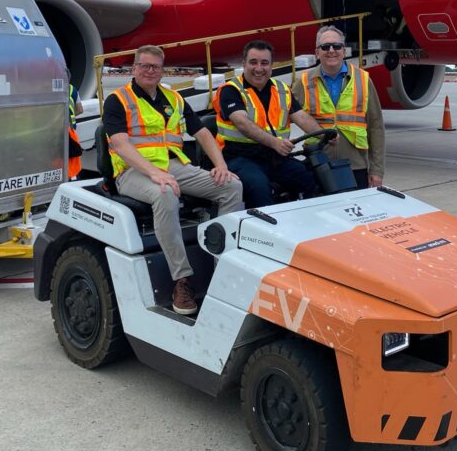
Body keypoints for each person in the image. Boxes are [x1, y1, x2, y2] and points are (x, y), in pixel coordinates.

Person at [103, 45, 242, 316]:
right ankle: (182, 279)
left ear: (162, 70)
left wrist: (221, 166)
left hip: (174, 166)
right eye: (144, 66)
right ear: (133, 69)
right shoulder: (117, 99)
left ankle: (222, 266)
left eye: (156, 66)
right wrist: (154, 173)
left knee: (232, 186)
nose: (150, 71)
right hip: (132, 172)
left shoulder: (174, 98)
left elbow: (202, 133)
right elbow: (119, 144)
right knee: (165, 193)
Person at [214, 39, 326, 208]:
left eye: (264, 63)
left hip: (272, 157)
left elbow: (301, 117)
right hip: (239, 157)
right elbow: (242, 123)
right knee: (259, 187)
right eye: (253, 62)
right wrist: (275, 143)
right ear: (243, 64)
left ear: (271, 66)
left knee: (309, 178)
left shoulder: (281, 89)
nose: (259, 68)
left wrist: (325, 134)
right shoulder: (231, 90)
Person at [293, 25, 385, 190]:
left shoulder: (363, 80)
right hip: (318, 164)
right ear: (317, 52)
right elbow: (284, 113)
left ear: (344, 51)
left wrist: (377, 169)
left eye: (336, 46)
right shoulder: (304, 82)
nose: (331, 51)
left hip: (355, 166)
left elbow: (376, 127)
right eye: (325, 47)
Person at [67, 83, 84, 180]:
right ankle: (73, 179)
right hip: (72, 129)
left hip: (57, 129)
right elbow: (80, 110)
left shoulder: (47, 87)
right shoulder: (72, 88)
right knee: (72, 158)